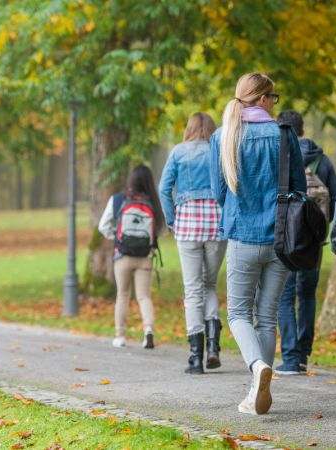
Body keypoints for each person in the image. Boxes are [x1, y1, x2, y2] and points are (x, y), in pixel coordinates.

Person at [210, 73, 306, 414]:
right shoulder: (285, 134)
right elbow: (299, 189)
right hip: (280, 239)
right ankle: (257, 389)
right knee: (267, 317)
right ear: (264, 99)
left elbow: (219, 192)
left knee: (237, 313)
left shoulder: (223, 136)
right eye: (273, 97)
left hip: (242, 236)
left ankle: (257, 368)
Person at [159, 112, 228, 374]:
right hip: (216, 224)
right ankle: (213, 347)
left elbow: (164, 189)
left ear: (188, 128)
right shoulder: (218, 150)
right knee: (209, 284)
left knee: (192, 289)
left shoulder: (178, 152)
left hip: (187, 225)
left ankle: (195, 357)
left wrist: (172, 220)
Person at [274, 110, 336, 375]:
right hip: (314, 242)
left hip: (287, 240)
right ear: (301, 130)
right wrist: (320, 227)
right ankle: (303, 355)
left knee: (284, 295)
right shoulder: (321, 160)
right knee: (307, 295)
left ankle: (290, 359)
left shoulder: (281, 157)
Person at [98, 165, 165, 349]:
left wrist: (117, 238)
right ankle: (148, 330)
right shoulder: (153, 202)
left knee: (123, 295)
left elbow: (103, 226)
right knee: (144, 296)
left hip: (123, 256)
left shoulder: (118, 199)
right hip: (145, 257)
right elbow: (161, 229)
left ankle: (120, 336)